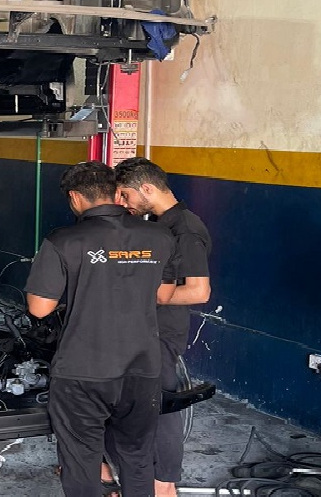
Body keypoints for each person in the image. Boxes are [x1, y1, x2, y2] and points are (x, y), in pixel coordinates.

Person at [25, 161, 177, 497]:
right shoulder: (159, 236)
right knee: (137, 457)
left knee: (82, 460)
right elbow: (163, 295)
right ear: (117, 193)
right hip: (142, 366)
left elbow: (39, 308)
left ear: (75, 197)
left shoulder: (63, 241)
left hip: (83, 369)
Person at [109, 156, 213, 497]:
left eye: (126, 195)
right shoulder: (159, 224)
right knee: (132, 403)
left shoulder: (185, 230)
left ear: (147, 189)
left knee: (162, 407)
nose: (123, 203)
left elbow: (198, 291)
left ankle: (165, 485)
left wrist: (142, 298)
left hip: (161, 333)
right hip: (141, 329)